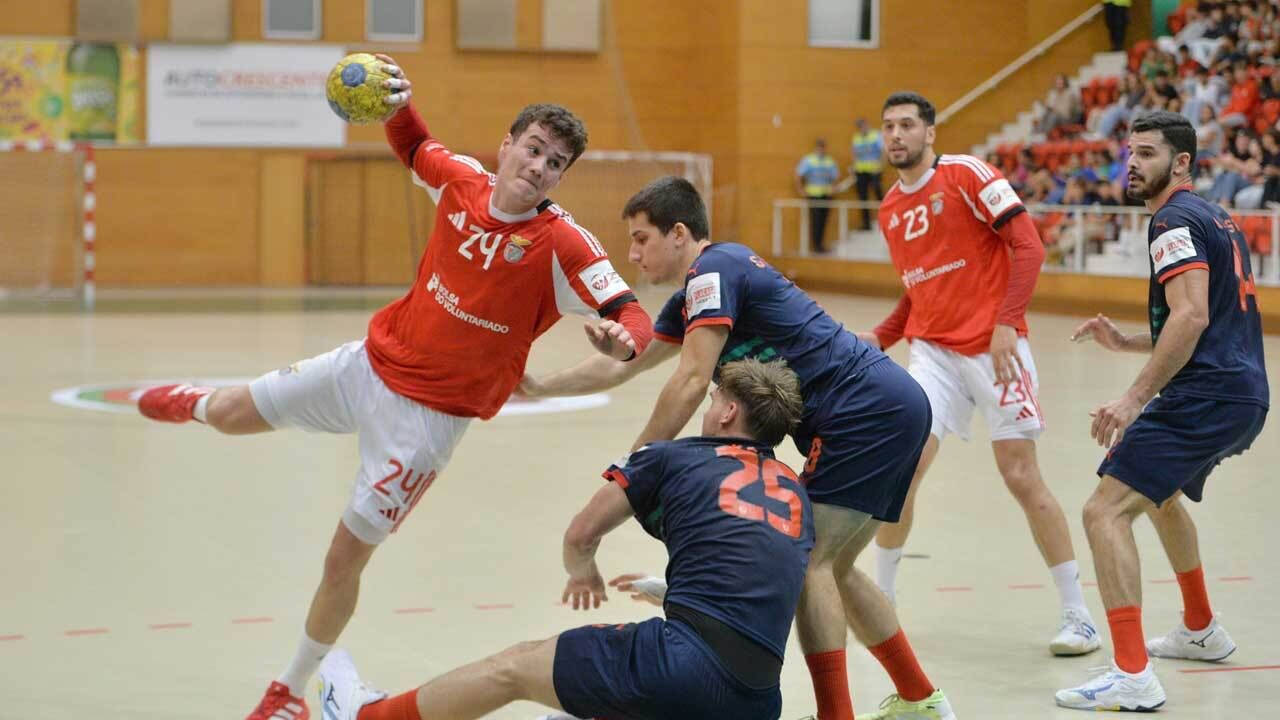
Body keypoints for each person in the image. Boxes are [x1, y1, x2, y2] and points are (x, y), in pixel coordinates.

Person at [134, 54, 654, 720]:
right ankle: (195, 403)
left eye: (555, 163)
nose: (538, 167)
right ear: (506, 146)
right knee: (232, 413)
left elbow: (632, 315)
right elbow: (413, 146)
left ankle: (289, 690)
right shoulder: (461, 181)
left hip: (423, 429)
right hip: (368, 365)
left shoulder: (563, 244)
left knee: (341, 562)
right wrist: (397, 102)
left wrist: (621, 341)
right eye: (533, 149)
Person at [522, 176, 956, 720]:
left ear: (679, 233)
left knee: (810, 563)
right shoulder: (696, 293)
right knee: (835, 567)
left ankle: (838, 715)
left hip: (862, 410)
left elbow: (690, 380)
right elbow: (622, 366)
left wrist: (638, 468)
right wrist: (537, 386)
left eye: (641, 238)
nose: (632, 254)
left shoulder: (714, 269)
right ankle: (921, 700)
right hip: (888, 405)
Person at [315, 359, 814, 720]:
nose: (708, 411)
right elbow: (768, 575)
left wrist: (583, 572)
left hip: (681, 664)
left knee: (514, 668)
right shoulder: (795, 492)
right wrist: (673, 591)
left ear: (728, 413)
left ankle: (366, 715)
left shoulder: (674, 456)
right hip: (758, 699)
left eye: (713, 401)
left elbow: (580, 534)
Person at [866, 91, 1099, 657]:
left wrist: (1008, 322)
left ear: (930, 133)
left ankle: (1079, 616)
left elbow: (1029, 245)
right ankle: (880, 603)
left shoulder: (967, 175)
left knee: (1020, 475)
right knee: (903, 469)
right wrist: (880, 338)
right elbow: (918, 289)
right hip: (933, 355)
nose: (896, 135)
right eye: (888, 126)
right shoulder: (890, 208)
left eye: (907, 125)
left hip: (995, 348)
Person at [1057, 110, 1268, 711]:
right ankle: (1201, 629)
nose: (1132, 163)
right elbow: (1206, 319)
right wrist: (1126, 342)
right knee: (1159, 498)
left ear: (1181, 163)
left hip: (1206, 395)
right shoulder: (1215, 217)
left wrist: (1132, 398)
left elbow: (1192, 316)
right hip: (1241, 393)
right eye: (1130, 153)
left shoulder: (1172, 219)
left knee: (1103, 512)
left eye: (1146, 154)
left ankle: (1132, 676)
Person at [795, 138, 842, 253]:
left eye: (823, 147)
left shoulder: (829, 161)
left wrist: (834, 188)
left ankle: (820, 245)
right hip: (813, 195)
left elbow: (836, 177)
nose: (821, 150)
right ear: (816, 148)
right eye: (819, 147)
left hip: (826, 195)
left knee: (823, 221)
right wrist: (800, 189)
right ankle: (816, 246)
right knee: (816, 221)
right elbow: (798, 175)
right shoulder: (809, 160)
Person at [851, 117, 885, 229]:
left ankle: (885, 218)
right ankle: (866, 223)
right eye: (859, 126)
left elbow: (883, 152)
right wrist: (854, 167)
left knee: (878, 192)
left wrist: (881, 166)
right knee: (862, 196)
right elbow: (854, 154)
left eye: (863, 125)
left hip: (874, 169)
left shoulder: (876, 136)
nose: (861, 128)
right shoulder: (857, 138)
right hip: (861, 171)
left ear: (867, 125)